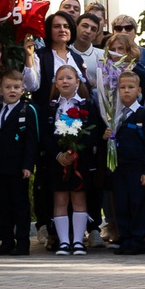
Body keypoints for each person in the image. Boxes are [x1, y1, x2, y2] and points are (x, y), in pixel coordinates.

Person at [41, 61, 103, 255]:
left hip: (80, 160)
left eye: (69, 78)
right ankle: (63, 242)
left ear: (77, 82)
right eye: (61, 79)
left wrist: (76, 151)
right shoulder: (51, 107)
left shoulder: (86, 105)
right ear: (56, 83)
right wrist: (58, 154)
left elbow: (92, 132)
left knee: (79, 198)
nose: (65, 82)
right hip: (57, 161)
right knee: (60, 199)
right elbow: (45, 135)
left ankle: (77, 241)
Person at [107, 70, 145, 254]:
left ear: (139, 90)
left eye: (130, 87)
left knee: (138, 205)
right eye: (122, 87)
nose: (126, 91)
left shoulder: (144, 117)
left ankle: (139, 240)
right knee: (122, 205)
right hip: (119, 169)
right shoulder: (112, 116)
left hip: (138, 170)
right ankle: (125, 239)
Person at [0, 68, 40, 254]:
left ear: (23, 90)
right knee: (3, 205)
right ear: (0, 89)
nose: (12, 90)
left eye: (16, 87)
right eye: (8, 87)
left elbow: (32, 140)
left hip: (18, 168)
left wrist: (28, 165)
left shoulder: (28, 109)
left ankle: (22, 243)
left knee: (20, 206)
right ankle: (6, 241)